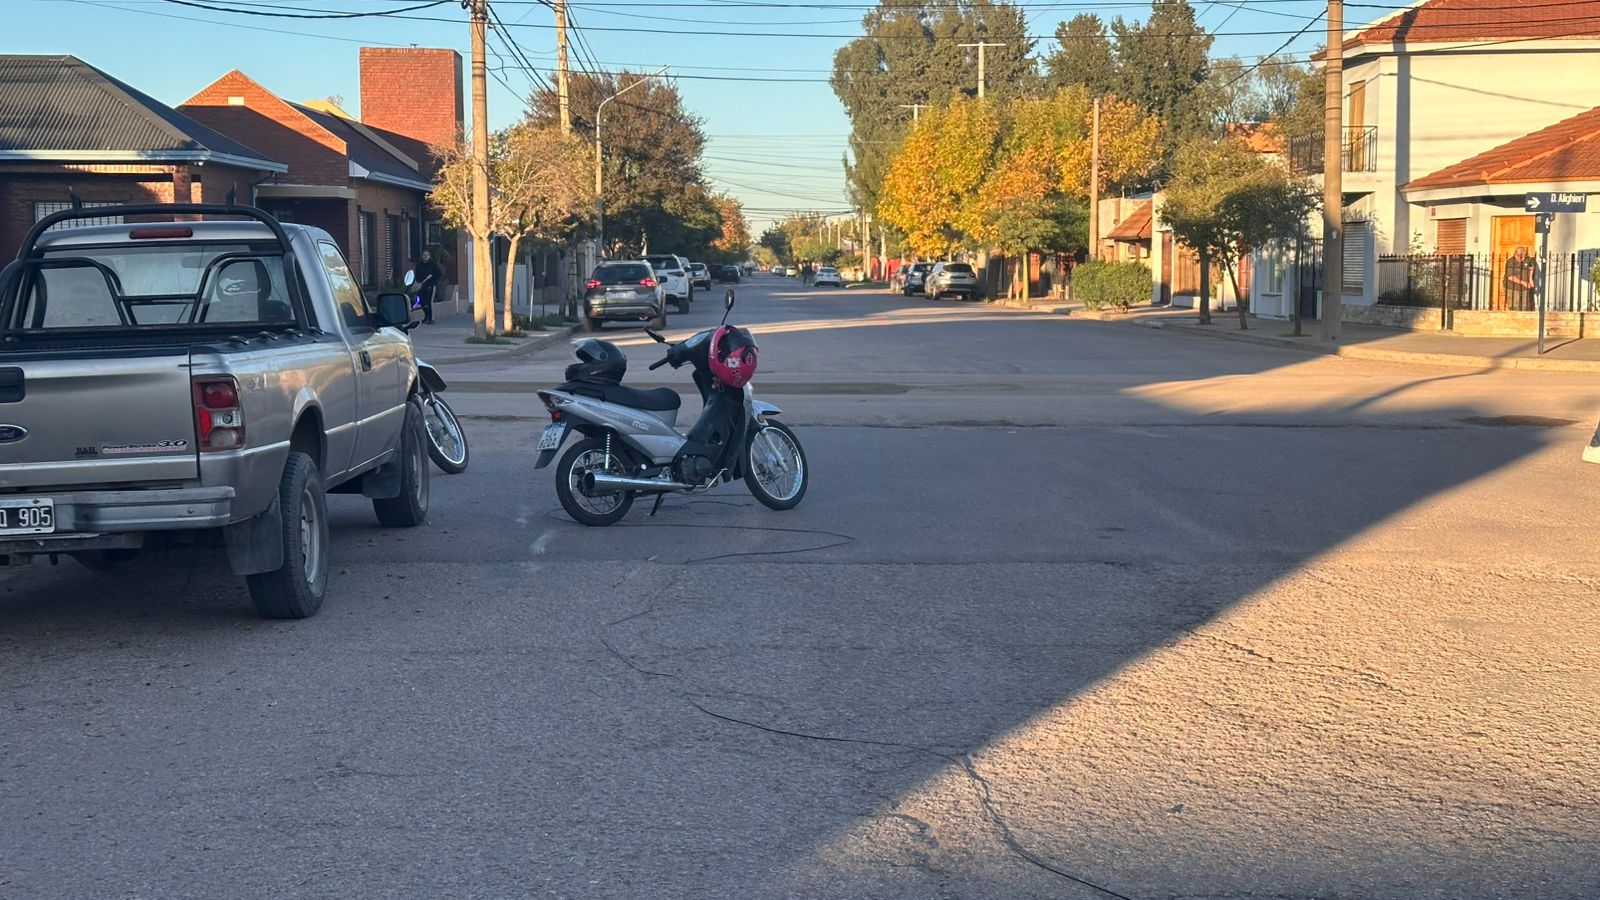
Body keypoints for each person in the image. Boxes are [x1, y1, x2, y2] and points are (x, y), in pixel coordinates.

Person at [413, 250, 443, 324]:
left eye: (427, 255)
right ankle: (426, 316)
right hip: (421, 286)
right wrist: (417, 281)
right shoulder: (419, 265)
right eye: (424, 255)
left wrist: (432, 276)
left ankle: (431, 319)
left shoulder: (433, 265)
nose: (425, 256)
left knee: (429, 302)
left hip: (430, 285)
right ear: (422, 256)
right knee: (421, 302)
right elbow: (416, 274)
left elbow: (439, 274)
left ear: (429, 256)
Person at [1503, 245, 1535, 310]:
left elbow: (1531, 268)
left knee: (1525, 307)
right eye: (1519, 257)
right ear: (1516, 255)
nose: (1521, 259)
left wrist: (1530, 278)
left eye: (1523, 257)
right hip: (1512, 288)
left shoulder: (1528, 260)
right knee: (1514, 307)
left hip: (1524, 288)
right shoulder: (1510, 262)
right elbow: (1510, 277)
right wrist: (1524, 283)